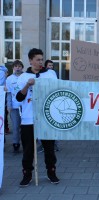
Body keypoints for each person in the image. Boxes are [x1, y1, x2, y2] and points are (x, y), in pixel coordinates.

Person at [16, 48, 59, 187]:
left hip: (47, 117)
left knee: (49, 148)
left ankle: (51, 172)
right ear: (30, 61)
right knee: (28, 149)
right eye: (38, 60)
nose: (41, 62)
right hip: (29, 118)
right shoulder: (22, 77)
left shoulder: (50, 74)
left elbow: (57, 90)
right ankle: (27, 174)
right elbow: (19, 97)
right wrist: (28, 84)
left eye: (42, 59)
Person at [6, 60, 24, 153]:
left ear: (22, 67)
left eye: (19, 66)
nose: (18, 68)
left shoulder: (26, 77)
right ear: (13, 68)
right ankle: (16, 143)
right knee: (16, 126)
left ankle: (26, 143)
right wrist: (9, 105)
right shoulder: (9, 79)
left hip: (25, 106)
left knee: (25, 127)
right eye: (16, 66)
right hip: (14, 106)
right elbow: (8, 94)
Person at [0, 65, 9, 134]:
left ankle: (5, 127)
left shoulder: (3, 70)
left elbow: (5, 80)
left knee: (3, 112)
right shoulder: (4, 69)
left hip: (3, 93)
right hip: (3, 92)